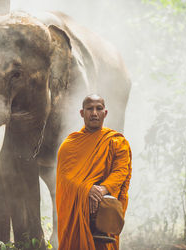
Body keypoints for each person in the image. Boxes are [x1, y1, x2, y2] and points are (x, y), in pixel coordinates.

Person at [56, 94, 132, 250]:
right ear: (82, 113)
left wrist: (101, 191)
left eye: (99, 108)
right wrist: (86, 189)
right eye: (89, 109)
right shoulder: (69, 145)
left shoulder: (116, 142)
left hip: (104, 214)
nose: (94, 113)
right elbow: (65, 178)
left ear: (105, 113)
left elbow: (121, 171)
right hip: (77, 213)